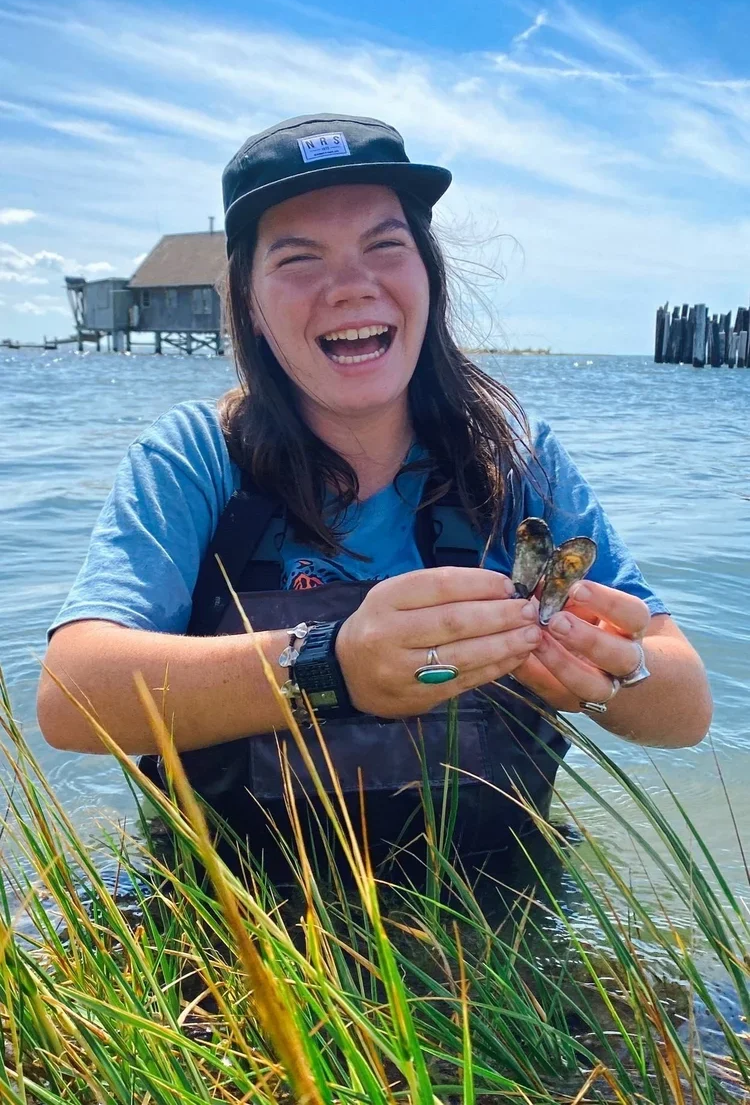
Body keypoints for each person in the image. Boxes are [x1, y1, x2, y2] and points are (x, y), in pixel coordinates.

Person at [37, 114, 712, 884]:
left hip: (500, 918)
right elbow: (69, 691)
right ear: (249, 299)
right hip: (240, 921)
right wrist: (329, 665)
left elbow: (686, 706)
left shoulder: (516, 457)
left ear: (428, 273)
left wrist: (612, 673)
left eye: (384, 246)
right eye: (298, 258)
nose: (352, 284)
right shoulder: (194, 459)